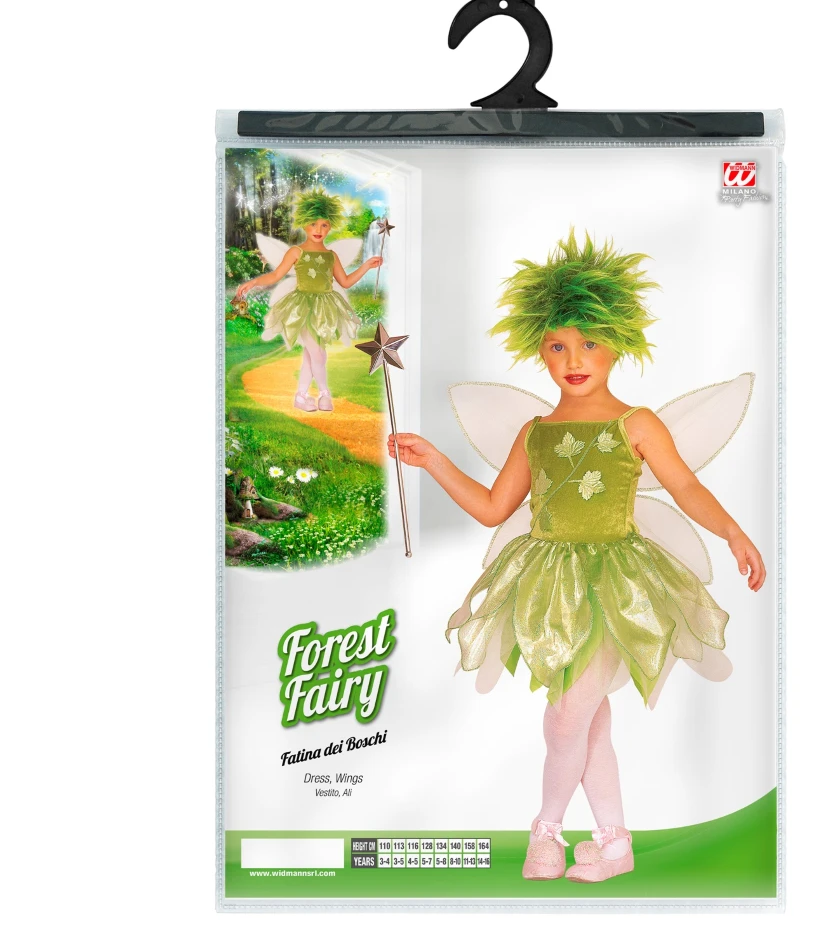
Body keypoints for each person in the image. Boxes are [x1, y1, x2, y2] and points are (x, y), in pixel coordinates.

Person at [388, 230, 766, 883]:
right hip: (547, 586)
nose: (573, 359)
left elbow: (685, 487)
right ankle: (614, 845)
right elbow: (493, 508)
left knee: (566, 719)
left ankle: (547, 830)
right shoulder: (535, 432)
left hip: (616, 584)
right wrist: (435, 461)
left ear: (618, 342)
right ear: (538, 349)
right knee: (588, 723)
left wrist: (733, 532)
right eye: (558, 345)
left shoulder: (636, 423)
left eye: (589, 342)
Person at [234, 189, 383, 412]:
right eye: (313, 224)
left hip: (325, 308)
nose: (318, 230)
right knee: (318, 354)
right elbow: (275, 275)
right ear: (304, 224)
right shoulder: (296, 252)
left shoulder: (331, 255)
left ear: (330, 227)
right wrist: (254, 282)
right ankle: (324, 393)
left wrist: (366, 266)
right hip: (302, 308)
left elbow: (345, 282)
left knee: (310, 355)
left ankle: (301, 396)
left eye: (324, 225)